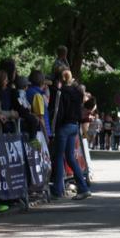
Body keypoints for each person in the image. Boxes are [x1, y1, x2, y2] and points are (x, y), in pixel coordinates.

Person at [49, 70, 91, 200]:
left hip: (63, 126)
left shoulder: (61, 93)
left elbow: (57, 111)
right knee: (70, 158)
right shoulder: (77, 93)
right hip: (74, 125)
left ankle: (57, 189)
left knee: (59, 157)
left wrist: (53, 128)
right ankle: (83, 187)